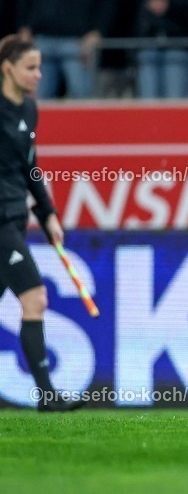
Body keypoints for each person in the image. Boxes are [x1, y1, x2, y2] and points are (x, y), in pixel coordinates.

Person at [0, 35, 84, 412]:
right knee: (35, 299)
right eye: (31, 67)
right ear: (8, 69)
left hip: (15, 217)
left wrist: (47, 213)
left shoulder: (29, 110)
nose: (39, 74)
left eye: (39, 67)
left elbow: (30, 167)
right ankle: (48, 396)